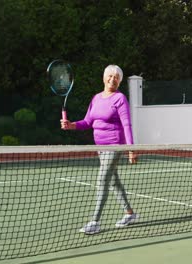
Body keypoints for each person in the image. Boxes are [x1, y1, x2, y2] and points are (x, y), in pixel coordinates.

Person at [61, 65, 139, 235]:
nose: (113, 79)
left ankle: (95, 221)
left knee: (102, 179)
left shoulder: (120, 99)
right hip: (100, 148)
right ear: (104, 78)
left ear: (119, 81)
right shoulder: (96, 98)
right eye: (110, 76)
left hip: (115, 146)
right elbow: (87, 122)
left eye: (117, 77)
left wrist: (131, 149)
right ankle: (130, 214)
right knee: (113, 181)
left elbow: (127, 125)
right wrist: (71, 125)